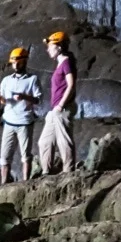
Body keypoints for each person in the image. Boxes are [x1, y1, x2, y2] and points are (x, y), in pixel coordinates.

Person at [0, 46, 41, 183]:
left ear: (24, 61)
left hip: (24, 122)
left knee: (25, 155)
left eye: (17, 62)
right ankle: (3, 183)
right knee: (4, 157)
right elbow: (3, 101)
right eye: (13, 62)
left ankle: (25, 182)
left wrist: (24, 97)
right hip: (9, 122)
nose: (15, 65)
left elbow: (38, 99)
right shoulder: (6, 80)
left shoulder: (32, 79)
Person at [37, 30, 77, 176]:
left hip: (62, 108)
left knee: (64, 141)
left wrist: (61, 105)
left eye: (50, 46)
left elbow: (71, 84)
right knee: (44, 142)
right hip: (55, 110)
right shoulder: (60, 63)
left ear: (59, 47)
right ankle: (46, 172)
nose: (48, 49)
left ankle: (68, 172)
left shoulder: (66, 62)